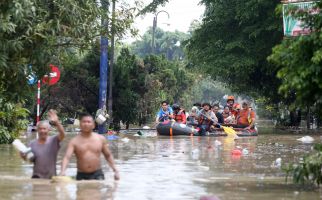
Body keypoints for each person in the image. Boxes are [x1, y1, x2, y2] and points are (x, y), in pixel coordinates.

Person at [60, 113, 119, 180]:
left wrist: (115, 171)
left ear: (93, 125)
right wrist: (62, 172)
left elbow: (108, 155)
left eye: (89, 122)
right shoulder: (74, 141)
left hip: (97, 174)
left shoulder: (100, 139)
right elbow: (67, 157)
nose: (86, 124)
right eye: (84, 122)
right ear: (80, 125)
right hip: (81, 175)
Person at [20, 109, 65, 179]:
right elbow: (31, 159)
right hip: (36, 178)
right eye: (40, 129)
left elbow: (62, 134)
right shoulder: (32, 144)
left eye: (44, 129)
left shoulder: (54, 140)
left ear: (49, 130)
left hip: (51, 178)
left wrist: (57, 122)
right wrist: (23, 157)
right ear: (37, 130)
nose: (42, 131)